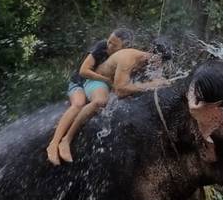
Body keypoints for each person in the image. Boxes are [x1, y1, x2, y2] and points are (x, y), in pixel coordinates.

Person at [56, 38, 173, 164]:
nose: (160, 64)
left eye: (163, 61)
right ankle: (66, 139)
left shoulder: (147, 61)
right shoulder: (128, 58)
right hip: (98, 82)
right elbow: (120, 90)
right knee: (100, 102)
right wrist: (150, 85)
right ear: (150, 52)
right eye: (160, 60)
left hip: (111, 85)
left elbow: (149, 81)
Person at [46, 28, 133, 166]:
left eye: (114, 45)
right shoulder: (101, 47)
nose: (109, 46)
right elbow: (84, 71)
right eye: (109, 41)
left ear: (125, 47)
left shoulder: (127, 56)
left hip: (98, 87)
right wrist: (106, 80)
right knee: (78, 104)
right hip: (80, 83)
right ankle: (54, 143)